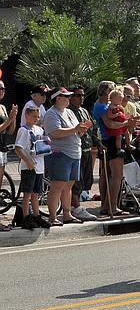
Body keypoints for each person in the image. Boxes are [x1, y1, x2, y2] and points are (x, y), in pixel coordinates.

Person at [42, 87, 93, 226]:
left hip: (74, 152)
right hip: (60, 154)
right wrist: (76, 129)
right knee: (57, 185)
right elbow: (55, 133)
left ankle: (67, 214)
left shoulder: (69, 112)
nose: (68, 99)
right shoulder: (51, 114)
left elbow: (75, 131)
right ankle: (53, 217)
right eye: (66, 96)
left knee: (68, 186)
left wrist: (81, 130)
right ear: (58, 98)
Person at [93, 80, 136, 216]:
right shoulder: (102, 107)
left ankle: (107, 205)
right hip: (111, 140)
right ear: (107, 92)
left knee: (109, 175)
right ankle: (112, 206)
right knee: (117, 175)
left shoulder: (107, 106)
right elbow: (110, 125)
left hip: (111, 140)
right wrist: (126, 122)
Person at [14, 106, 51, 229]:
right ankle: (25, 217)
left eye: (38, 116)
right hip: (29, 167)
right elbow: (18, 147)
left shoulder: (39, 130)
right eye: (33, 116)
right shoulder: (24, 130)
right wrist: (28, 161)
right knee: (27, 193)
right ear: (26, 116)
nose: (36, 119)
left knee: (36, 193)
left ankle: (36, 215)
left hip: (39, 165)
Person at [67, 84, 99, 221]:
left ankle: (75, 205)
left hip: (87, 149)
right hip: (75, 149)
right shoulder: (68, 112)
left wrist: (98, 143)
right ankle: (75, 206)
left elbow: (91, 130)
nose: (81, 98)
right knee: (76, 181)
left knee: (86, 180)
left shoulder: (84, 111)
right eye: (77, 95)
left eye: (82, 95)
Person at [0, 81, 17, 231]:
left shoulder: (3, 107)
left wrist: (14, 117)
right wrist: (10, 119)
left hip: (2, 148)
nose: (1, 91)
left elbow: (10, 131)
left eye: (3, 88)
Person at [105, 88, 131, 154]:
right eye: (119, 100)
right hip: (117, 124)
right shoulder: (111, 107)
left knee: (127, 133)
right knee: (119, 136)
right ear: (113, 99)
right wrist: (116, 115)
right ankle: (118, 148)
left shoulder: (119, 106)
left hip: (122, 122)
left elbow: (122, 113)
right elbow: (109, 115)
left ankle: (128, 145)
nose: (121, 101)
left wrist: (124, 114)